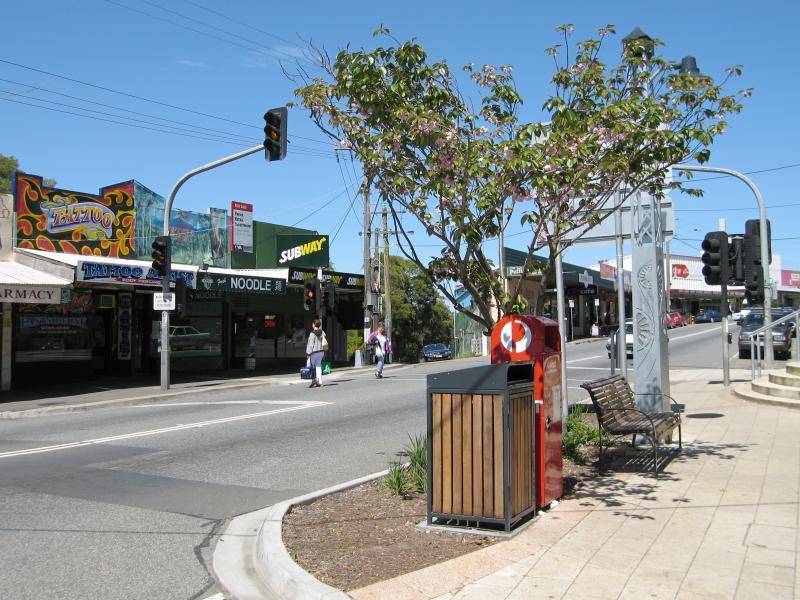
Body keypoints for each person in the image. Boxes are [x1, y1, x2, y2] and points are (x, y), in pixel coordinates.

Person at [305, 318, 327, 388]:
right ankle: (320, 382)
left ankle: (314, 381)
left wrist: (308, 353)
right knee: (318, 366)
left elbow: (311, 344)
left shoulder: (312, 334)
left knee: (311, 366)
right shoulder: (322, 332)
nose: (312, 324)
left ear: (314, 324)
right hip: (321, 352)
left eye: (312, 323)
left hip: (314, 352)